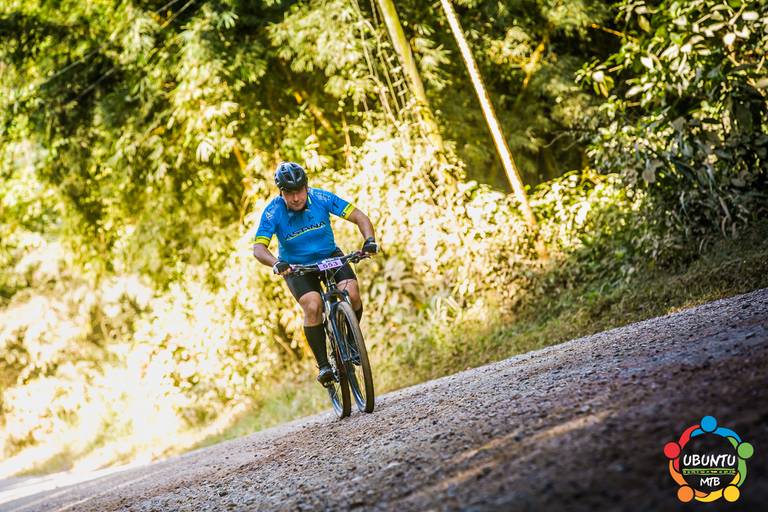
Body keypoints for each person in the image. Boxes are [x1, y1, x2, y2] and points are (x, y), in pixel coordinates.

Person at [252, 162, 378, 385]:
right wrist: (276, 263)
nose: (296, 198)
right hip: (296, 267)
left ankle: (351, 343)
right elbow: (259, 249)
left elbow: (360, 217)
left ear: (306, 186)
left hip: (330, 256)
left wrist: (369, 241)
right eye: (289, 193)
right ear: (281, 192)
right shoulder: (273, 211)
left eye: (299, 191)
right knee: (313, 305)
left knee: (353, 294)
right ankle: (324, 365)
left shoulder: (321, 197)